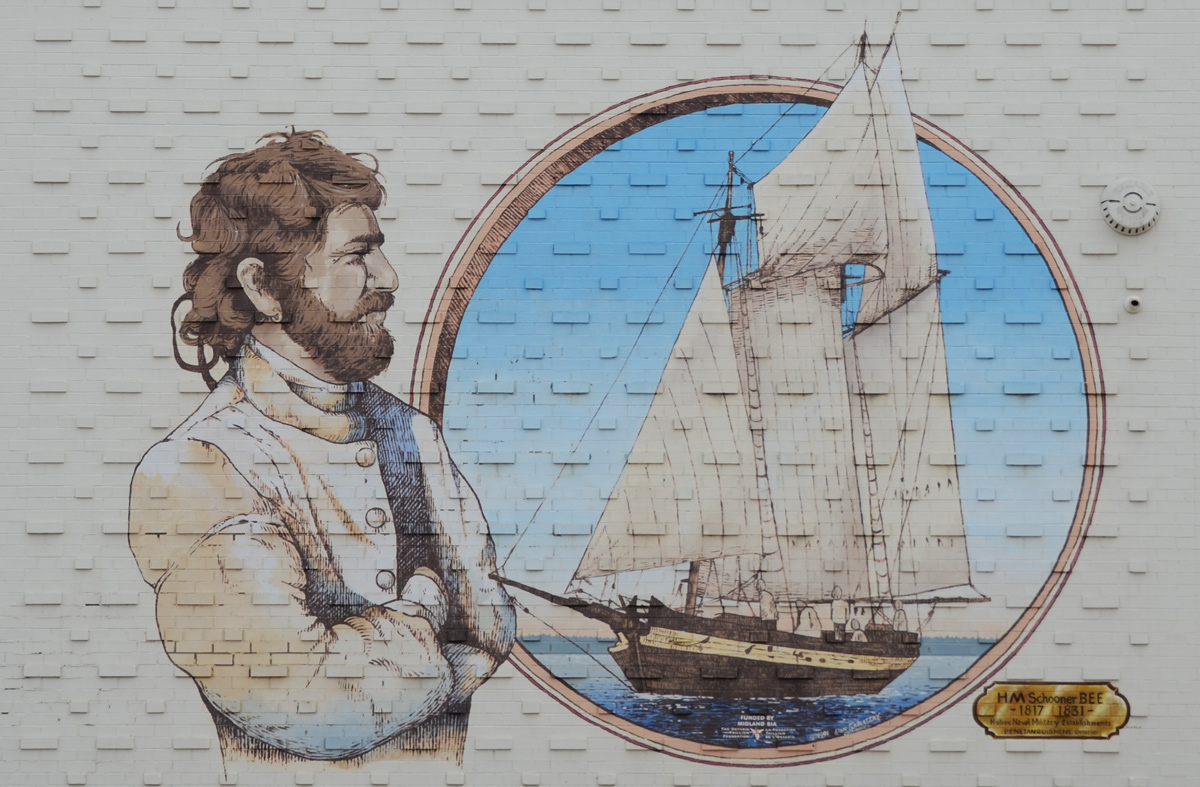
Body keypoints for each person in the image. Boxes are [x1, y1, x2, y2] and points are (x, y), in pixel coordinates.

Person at [127, 130, 515, 765]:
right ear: (262, 286)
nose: (388, 278)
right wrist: (424, 607)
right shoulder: (197, 464)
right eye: (358, 255)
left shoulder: (410, 431)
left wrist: (391, 670)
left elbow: (493, 625)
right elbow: (310, 704)